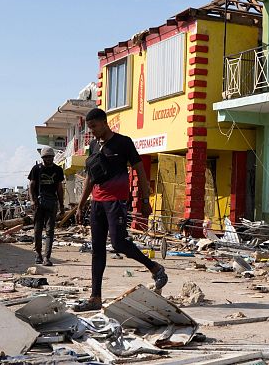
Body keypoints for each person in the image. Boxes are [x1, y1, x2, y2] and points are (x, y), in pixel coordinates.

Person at [73, 108, 167, 312]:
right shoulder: (94, 145)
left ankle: (155, 268)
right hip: (97, 202)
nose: (93, 132)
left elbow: (139, 169)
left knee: (119, 243)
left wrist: (144, 198)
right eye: (90, 128)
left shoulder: (123, 142)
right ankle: (95, 297)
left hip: (116, 202)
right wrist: (82, 204)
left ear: (105, 123)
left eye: (95, 127)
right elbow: (90, 176)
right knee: (97, 250)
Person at [28, 146, 66, 266]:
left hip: (52, 203)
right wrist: (33, 201)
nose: (48, 159)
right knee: (37, 231)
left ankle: (46, 257)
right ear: (42, 158)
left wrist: (61, 205)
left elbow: (60, 189)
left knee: (50, 231)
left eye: (50, 157)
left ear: (53, 157)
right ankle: (38, 254)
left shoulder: (58, 170)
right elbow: (31, 186)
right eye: (46, 157)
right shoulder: (36, 169)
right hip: (39, 204)